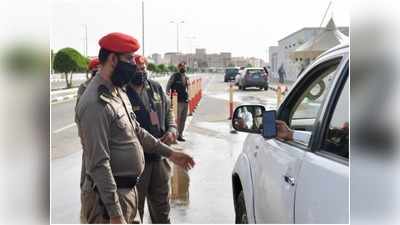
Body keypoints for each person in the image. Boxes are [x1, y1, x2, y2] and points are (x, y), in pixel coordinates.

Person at [75, 32, 195, 224]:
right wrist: (115, 214)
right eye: (129, 58)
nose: (134, 64)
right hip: (106, 204)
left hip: (127, 195)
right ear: (113, 59)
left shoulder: (117, 92)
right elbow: (98, 164)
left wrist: (170, 153)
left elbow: (136, 131)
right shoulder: (94, 103)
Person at [125, 55, 177, 223]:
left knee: (162, 210)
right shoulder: (123, 92)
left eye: (144, 69)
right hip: (136, 163)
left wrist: (172, 129)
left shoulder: (155, 88)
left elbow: (169, 111)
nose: (141, 72)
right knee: (134, 211)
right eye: (137, 70)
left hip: (159, 160)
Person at [166, 62, 189, 142]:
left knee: (183, 119)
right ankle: (175, 136)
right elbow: (168, 85)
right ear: (178, 68)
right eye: (181, 66)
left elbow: (187, 89)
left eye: (184, 66)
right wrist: (168, 93)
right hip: (177, 101)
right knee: (176, 119)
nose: (183, 68)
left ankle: (180, 135)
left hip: (185, 101)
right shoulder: (174, 76)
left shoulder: (186, 77)